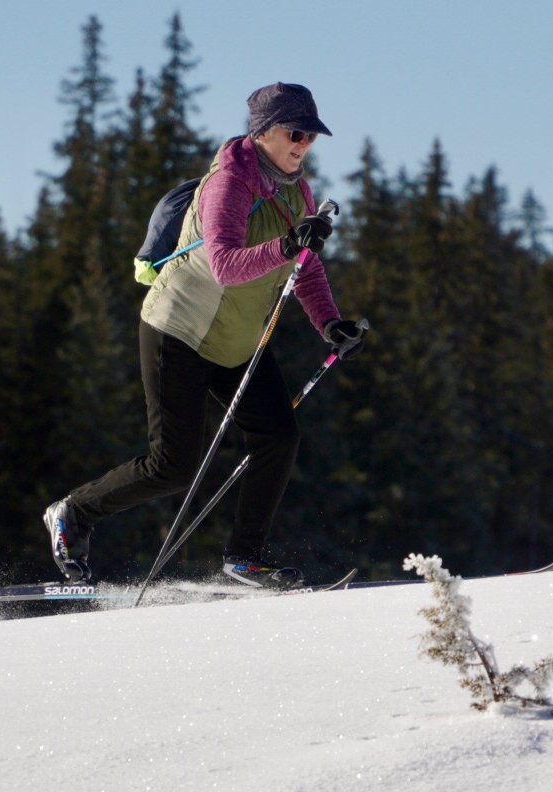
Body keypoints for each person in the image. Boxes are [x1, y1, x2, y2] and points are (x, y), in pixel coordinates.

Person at [43, 82, 367, 588]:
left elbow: (305, 268)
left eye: (311, 135)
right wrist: (286, 245)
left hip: (236, 342)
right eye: (295, 132)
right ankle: (73, 512)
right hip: (179, 330)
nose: (304, 143)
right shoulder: (230, 183)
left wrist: (330, 322)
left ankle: (244, 559)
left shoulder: (296, 191)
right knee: (171, 466)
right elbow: (223, 266)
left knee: (278, 437)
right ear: (263, 133)